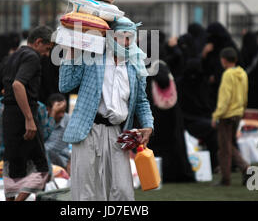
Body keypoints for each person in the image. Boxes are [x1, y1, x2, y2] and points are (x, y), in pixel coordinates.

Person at [59, 16, 154, 201]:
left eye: (130, 37)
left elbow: (142, 101)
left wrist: (148, 125)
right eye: (122, 36)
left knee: (123, 191)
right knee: (87, 193)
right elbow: (65, 85)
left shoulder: (136, 65)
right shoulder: (92, 56)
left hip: (117, 133)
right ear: (110, 36)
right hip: (88, 130)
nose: (126, 42)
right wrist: (70, 51)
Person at [0, 26, 53, 201]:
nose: (47, 55)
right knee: (42, 170)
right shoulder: (32, 57)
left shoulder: (8, 58)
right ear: (38, 42)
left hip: (8, 117)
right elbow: (18, 85)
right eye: (47, 49)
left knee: (13, 166)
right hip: (24, 115)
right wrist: (29, 119)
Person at [146, 60, 195, 182]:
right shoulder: (163, 66)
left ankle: (158, 174)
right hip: (173, 116)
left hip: (158, 116)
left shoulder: (150, 68)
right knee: (175, 145)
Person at [211, 47, 250, 186]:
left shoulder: (227, 74)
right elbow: (245, 95)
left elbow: (225, 98)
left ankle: (238, 173)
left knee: (225, 148)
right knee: (227, 146)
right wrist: (242, 110)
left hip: (226, 115)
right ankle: (231, 176)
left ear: (223, 60)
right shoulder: (243, 73)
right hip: (238, 113)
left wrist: (216, 115)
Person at [177, 59, 219, 171]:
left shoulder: (183, 82)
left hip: (191, 119)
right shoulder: (201, 82)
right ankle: (215, 163)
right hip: (191, 121)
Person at [202, 22, 240, 108]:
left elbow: (235, 67)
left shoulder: (230, 47)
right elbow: (205, 67)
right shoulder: (210, 48)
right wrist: (204, 54)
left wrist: (217, 76)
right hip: (213, 91)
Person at [37, 94, 71, 174]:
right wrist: (53, 113)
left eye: (63, 111)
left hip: (60, 158)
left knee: (47, 152)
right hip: (42, 157)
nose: (61, 115)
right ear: (48, 109)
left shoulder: (68, 120)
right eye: (58, 112)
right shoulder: (42, 118)